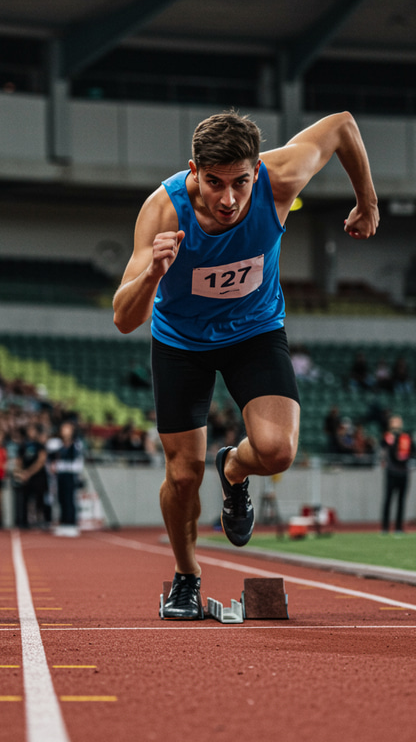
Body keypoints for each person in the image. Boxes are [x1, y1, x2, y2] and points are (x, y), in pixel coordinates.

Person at [113, 110, 378, 620]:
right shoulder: (163, 212)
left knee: (278, 451)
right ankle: (186, 576)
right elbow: (125, 319)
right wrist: (152, 274)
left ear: (257, 171)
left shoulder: (281, 177)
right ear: (194, 171)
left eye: (240, 182)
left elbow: (342, 125)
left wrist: (366, 203)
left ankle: (234, 468)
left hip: (254, 331)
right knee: (183, 473)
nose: (229, 199)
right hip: (182, 342)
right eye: (214, 183)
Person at [47, 420, 85, 537]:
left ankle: (71, 524)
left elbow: (77, 461)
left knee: (69, 499)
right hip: (60, 474)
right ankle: (63, 523)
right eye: (63, 428)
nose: (65, 431)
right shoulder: (57, 443)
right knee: (61, 499)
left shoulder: (77, 444)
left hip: (71, 474)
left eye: (67, 429)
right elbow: (51, 457)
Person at [380, 415, 413, 535]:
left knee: (401, 501)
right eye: (394, 421)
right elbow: (383, 447)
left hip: (403, 472)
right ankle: (385, 527)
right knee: (388, 499)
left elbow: (410, 452)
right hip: (391, 472)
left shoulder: (406, 437)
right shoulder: (388, 437)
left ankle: (399, 527)